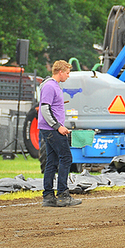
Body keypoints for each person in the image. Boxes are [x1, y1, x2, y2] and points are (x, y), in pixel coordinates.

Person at [38, 60, 81, 207]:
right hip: (52, 129)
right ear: (60, 72)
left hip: (49, 128)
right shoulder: (50, 86)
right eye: (67, 73)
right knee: (66, 158)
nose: (68, 76)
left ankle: (48, 196)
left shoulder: (53, 85)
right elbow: (45, 108)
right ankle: (63, 194)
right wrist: (58, 126)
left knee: (52, 161)